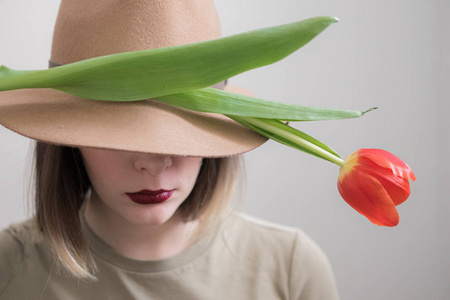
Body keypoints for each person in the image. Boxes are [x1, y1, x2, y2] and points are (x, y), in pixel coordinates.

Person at [0, 0, 339, 299]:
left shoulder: (291, 269)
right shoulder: (9, 268)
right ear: (67, 137)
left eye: (179, 130)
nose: (153, 163)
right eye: (118, 131)